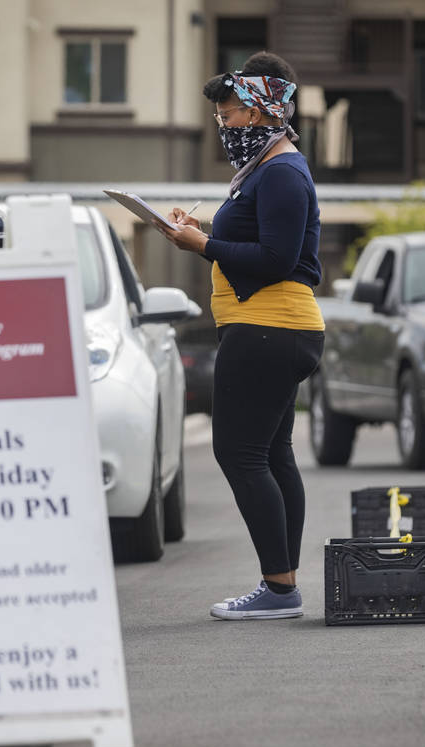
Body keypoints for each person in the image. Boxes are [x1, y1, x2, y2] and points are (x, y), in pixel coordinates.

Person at [157, 52, 324, 620]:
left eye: (230, 115)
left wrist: (201, 246)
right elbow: (260, 243)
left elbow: (277, 258)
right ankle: (283, 585)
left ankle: (279, 589)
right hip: (272, 328)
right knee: (272, 455)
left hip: (269, 327)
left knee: (239, 452)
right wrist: (201, 232)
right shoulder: (268, 170)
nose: (224, 126)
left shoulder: (281, 172)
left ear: (261, 111)